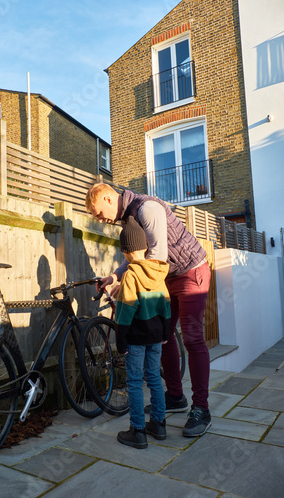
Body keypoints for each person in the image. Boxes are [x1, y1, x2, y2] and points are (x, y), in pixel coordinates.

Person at [85, 182, 212, 438]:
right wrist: (114, 276)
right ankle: (175, 396)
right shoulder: (127, 217)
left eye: (98, 213)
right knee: (161, 336)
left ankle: (201, 408)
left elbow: (156, 256)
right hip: (165, 277)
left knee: (192, 339)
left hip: (190, 272)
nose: (99, 220)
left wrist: (129, 284)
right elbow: (136, 254)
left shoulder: (147, 209)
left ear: (109, 199)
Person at [114, 216, 171, 449]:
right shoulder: (158, 272)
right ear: (145, 247)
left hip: (136, 340)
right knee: (155, 379)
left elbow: (125, 311)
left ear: (125, 252)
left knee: (136, 382)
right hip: (156, 337)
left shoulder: (130, 274)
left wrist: (120, 341)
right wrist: (166, 332)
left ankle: (137, 430)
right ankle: (158, 424)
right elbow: (166, 305)